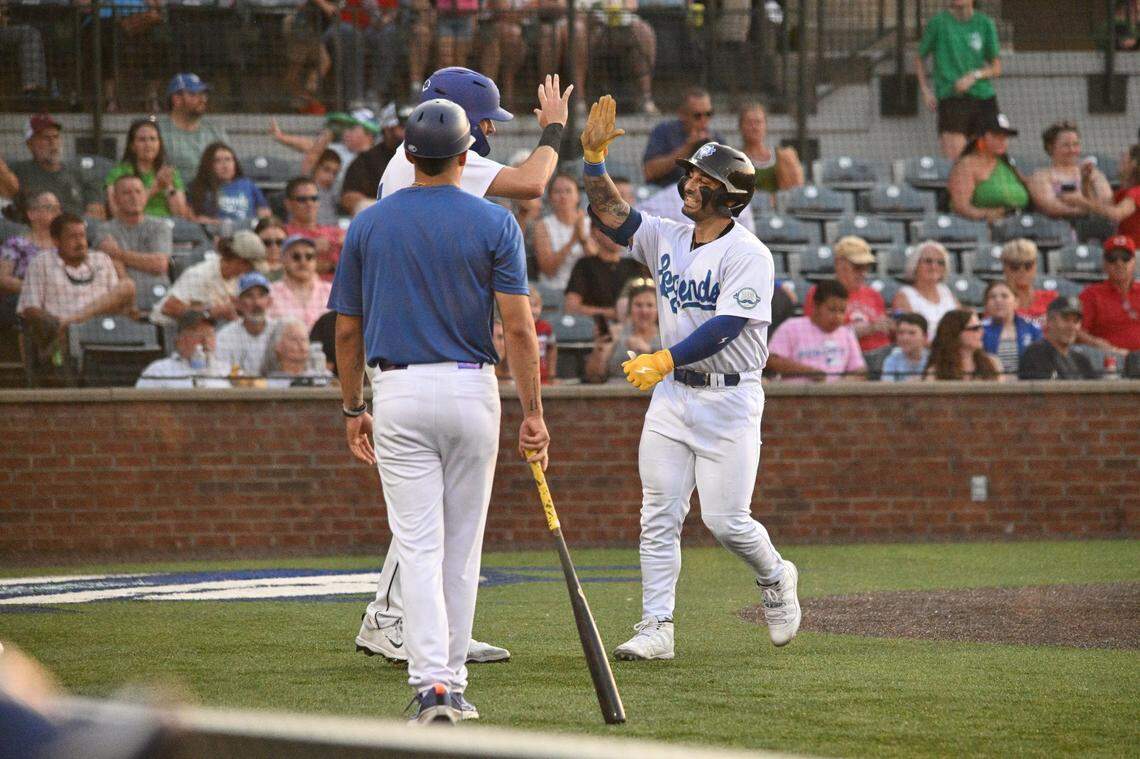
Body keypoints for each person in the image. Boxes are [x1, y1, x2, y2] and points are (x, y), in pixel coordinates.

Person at [329, 99, 549, 723]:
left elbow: (346, 332)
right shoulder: (495, 221)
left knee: (418, 546)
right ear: (464, 154)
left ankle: (431, 688)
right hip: (472, 388)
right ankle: (451, 682)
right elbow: (520, 330)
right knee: (462, 548)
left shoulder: (369, 223)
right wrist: (533, 412)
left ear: (408, 154)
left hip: (396, 392)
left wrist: (353, 408)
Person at [581, 95, 800, 660]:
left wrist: (664, 359)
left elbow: (727, 325)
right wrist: (593, 161)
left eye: (701, 178)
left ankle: (775, 575)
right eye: (691, 175)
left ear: (728, 192)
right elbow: (610, 215)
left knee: (727, 522)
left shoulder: (749, 252)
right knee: (658, 514)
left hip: (729, 399)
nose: (690, 184)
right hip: (675, 398)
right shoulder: (669, 237)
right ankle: (658, 627)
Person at [379, 68, 572, 204]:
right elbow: (532, 183)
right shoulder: (441, 156)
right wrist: (554, 126)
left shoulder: (415, 151)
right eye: (485, 118)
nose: (491, 128)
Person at [17, 213, 135, 383]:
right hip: (59, 334)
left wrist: (75, 321)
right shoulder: (40, 263)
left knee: (128, 286)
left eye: (82, 236)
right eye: (72, 237)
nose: (80, 242)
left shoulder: (101, 259)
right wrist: (55, 324)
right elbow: (29, 309)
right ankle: (71, 327)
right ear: (56, 240)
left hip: (102, 328)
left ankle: (73, 322)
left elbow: (115, 302)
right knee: (64, 336)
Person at [914, 0, 1002, 160]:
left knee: (988, 159)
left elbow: (996, 68)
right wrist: (926, 91)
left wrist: (974, 76)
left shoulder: (985, 23)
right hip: (952, 99)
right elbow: (919, 58)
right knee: (957, 162)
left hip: (984, 99)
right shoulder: (938, 23)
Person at [151, 230, 267, 327]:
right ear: (239, 261)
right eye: (250, 266)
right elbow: (169, 308)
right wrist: (210, 312)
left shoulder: (239, 278)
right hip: (172, 331)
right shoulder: (200, 274)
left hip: (210, 330)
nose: (251, 271)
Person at [1025, 121, 1115, 241]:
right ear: (1050, 147)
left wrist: (1077, 201)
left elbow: (1107, 200)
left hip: (1094, 232)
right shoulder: (1041, 176)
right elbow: (1051, 207)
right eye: (1066, 145)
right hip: (1055, 233)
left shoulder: (1093, 173)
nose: (1072, 149)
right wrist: (1091, 207)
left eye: (1076, 144)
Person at [803, 236, 891, 353]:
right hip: (841, 357)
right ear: (839, 264)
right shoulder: (821, 292)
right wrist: (869, 328)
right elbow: (816, 334)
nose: (863, 273)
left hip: (880, 356)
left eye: (867, 267)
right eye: (858, 267)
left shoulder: (873, 294)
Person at [768, 279, 866, 383]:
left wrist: (840, 384)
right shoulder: (791, 327)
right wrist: (809, 371)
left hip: (835, 396)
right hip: (796, 395)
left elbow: (860, 370)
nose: (837, 316)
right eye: (832, 310)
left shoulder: (847, 333)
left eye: (842, 311)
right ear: (816, 307)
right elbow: (772, 361)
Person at [10, 114, 104, 218]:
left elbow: (96, 213)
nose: (53, 142)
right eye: (45, 138)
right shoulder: (20, 171)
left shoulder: (78, 173)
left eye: (56, 137)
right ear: (30, 144)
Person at [947, 112, 1029, 222]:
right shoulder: (966, 165)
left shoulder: (1008, 163)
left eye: (1005, 136)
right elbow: (961, 206)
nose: (1003, 140)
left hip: (1021, 224)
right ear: (979, 137)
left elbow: (1030, 186)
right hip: (985, 229)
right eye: (996, 135)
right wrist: (986, 215)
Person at [105, 118, 190, 219]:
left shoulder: (169, 172)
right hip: (135, 226)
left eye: (153, 139)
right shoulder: (118, 172)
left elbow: (180, 213)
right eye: (142, 140)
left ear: (159, 144)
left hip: (167, 225)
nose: (148, 145)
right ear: (132, 146)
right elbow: (116, 212)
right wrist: (156, 187)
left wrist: (169, 186)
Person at [98, 175, 174, 285]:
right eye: (127, 193)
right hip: (124, 295)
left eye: (138, 192)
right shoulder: (106, 229)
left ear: (145, 196)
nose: (134, 197)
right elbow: (114, 265)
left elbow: (160, 264)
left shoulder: (160, 226)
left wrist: (118, 254)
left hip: (158, 292)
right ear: (115, 198)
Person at [641, 87, 724, 187]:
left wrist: (714, 152)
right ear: (682, 115)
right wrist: (687, 147)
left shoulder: (716, 138)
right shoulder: (664, 131)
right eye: (697, 115)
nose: (704, 120)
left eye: (708, 114)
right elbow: (649, 172)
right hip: (666, 190)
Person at [157, 73, 231, 183]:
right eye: (194, 94)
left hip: (214, 193)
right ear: (177, 99)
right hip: (174, 194)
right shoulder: (157, 131)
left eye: (204, 94)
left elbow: (230, 167)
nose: (203, 99)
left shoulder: (215, 130)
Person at [584, 278, 661, 383]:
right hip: (616, 392)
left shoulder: (667, 335)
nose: (644, 311)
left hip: (654, 393)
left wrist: (648, 352)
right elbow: (594, 376)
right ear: (630, 309)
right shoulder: (616, 333)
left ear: (657, 310)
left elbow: (673, 376)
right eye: (638, 305)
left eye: (649, 305)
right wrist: (600, 349)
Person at [564, 225, 649, 320]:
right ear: (596, 232)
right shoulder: (584, 265)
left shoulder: (634, 265)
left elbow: (649, 300)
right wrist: (611, 313)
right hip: (597, 329)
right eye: (613, 229)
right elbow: (571, 308)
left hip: (633, 330)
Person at [0, 191, 59, 326]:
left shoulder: (64, 246)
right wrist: (36, 288)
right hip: (24, 301)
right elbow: (2, 279)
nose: (57, 213)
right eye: (50, 208)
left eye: (58, 208)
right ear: (32, 214)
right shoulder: (16, 244)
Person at [588, 0, 658, 114]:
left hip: (623, 24)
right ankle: (584, 100)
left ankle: (645, 97)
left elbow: (632, 5)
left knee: (643, 31)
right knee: (582, 34)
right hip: (592, 25)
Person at [340, 103, 411, 215]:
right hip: (383, 221)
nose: (408, 132)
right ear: (387, 129)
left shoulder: (425, 157)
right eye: (402, 127)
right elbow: (349, 198)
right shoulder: (366, 160)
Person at [136, 310, 230, 388]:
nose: (205, 341)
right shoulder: (158, 372)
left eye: (210, 334)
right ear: (179, 340)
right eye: (197, 335)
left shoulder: (226, 370)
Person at [1078, 235, 1140, 352]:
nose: (1119, 263)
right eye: (1112, 258)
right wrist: (1095, 343)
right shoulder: (1092, 294)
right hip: (1109, 360)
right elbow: (1076, 330)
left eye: (1125, 257)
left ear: (1134, 262)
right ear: (1104, 264)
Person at [1067, 143, 1140, 243]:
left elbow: (1116, 214)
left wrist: (1081, 201)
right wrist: (1086, 181)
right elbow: (1100, 209)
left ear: (1133, 164)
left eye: (1124, 158)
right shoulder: (1123, 193)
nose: (1120, 160)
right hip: (1124, 249)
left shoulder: (1137, 192)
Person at [534, 174, 595, 291]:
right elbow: (548, 270)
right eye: (557, 192)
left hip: (588, 290)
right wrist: (573, 240)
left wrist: (583, 240)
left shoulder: (590, 223)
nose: (563, 196)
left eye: (568, 191)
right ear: (550, 197)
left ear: (578, 196)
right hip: (555, 290)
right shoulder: (543, 226)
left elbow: (599, 262)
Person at [186, 143, 270, 226]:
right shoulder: (197, 187)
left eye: (228, 159)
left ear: (235, 163)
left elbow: (264, 211)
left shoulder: (248, 185)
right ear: (208, 165)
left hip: (247, 233)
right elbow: (191, 217)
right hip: (213, 233)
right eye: (218, 161)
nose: (225, 166)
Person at [891, 240, 959, 339]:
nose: (934, 266)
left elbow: (962, 322)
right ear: (915, 264)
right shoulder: (905, 296)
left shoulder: (945, 291)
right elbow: (909, 335)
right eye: (928, 261)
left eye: (940, 262)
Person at [1018, 296, 1099, 380]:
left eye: (1076, 321)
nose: (1071, 327)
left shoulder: (1081, 359)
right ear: (1049, 321)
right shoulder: (1035, 354)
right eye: (1066, 320)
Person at [283, 176, 344, 281]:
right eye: (302, 199)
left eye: (314, 198)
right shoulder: (282, 233)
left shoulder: (336, 232)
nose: (309, 203)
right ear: (288, 204)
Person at [215, 272, 276, 376]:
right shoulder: (225, 336)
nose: (256, 303)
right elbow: (221, 372)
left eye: (261, 296)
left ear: (269, 301)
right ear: (238, 303)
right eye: (249, 296)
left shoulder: (280, 331)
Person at [268, 234, 332, 329]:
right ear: (283, 260)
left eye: (309, 256)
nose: (303, 262)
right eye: (296, 256)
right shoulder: (270, 293)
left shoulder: (331, 291)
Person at [737, 102, 803, 193]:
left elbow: (796, 191)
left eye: (758, 122)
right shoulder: (736, 159)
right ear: (741, 127)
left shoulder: (782, 156)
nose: (754, 127)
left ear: (765, 126)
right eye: (749, 122)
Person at [980, 280, 1040, 376]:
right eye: (992, 297)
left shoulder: (1032, 328)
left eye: (1004, 296)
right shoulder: (979, 330)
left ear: (1016, 302)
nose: (998, 300)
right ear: (986, 304)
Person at [924, 308, 1001, 380]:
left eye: (981, 327)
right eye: (975, 328)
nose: (982, 332)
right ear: (956, 332)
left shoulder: (993, 364)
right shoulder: (936, 371)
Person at [998, 238, 1056, 329]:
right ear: (1005, 268)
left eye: (1028, 265)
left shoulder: (1051, 299)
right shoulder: (997, 302)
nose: (1022, 271)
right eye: (1015, 266)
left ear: (1035, 266)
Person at [260, 317, 328, 386]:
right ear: (278, 345)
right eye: (294, 339)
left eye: (304, 339)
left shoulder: (325, 379)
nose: (301, 345)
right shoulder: (266, 383)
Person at [881, 312, 930, 382]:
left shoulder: (933, 360)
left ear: (925, 336)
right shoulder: (891, 361)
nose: (905, 338)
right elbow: (886, 389)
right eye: (901, 333)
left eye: (912, 333)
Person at [529, 288, 557, 383]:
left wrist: (551, 375)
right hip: (523, 377)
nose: (532, 310)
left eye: (535, 305)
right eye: (528, 306)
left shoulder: (546, 327)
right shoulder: (517, 327)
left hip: (543, 378)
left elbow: (552, 350)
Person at [312, 149, 343, 226]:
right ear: (315, 167)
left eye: (335, 173)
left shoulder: (335, 190)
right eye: (326, 170)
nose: (330, 177)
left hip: (333, 231)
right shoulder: (302, 189)